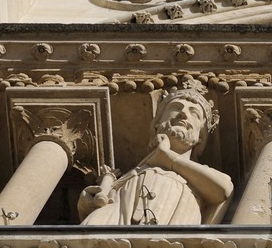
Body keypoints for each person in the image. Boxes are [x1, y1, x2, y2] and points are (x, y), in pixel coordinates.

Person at [79, 82, 232, 225]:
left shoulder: (201, 176)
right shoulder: (132, 175)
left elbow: (224, 190)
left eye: (195, 114)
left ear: (201, 136)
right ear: (157, 123)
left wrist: (167, 157)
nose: (183, 114)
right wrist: (87, 204)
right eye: (176, 107)